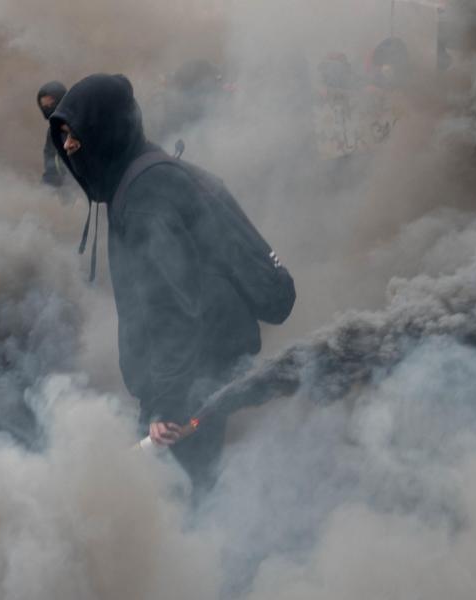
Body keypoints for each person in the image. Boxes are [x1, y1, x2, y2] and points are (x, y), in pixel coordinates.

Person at [49, 74, 295, 495]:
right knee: (194, 485)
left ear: (105, 129)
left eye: (76, 134)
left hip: (196, 372)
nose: (69, 146)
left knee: (182, 497)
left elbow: (174, 308)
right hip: (203, 363)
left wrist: (167, 403)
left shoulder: (147, 198)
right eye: (64, 136)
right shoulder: (148, 173)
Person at [36, 81, 68, 188]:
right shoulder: (52, 133)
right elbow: (51, 172)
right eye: (45, 107)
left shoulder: (82, 127)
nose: (50, 110)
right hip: (65, 194)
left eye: (52, 105)